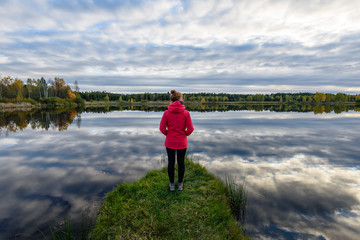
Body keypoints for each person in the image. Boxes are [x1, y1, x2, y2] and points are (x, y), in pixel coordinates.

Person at [160, 90, 194, 191]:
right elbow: (190, 129)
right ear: (179, 99)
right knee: (181, 163)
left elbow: (162, 129)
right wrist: (184, 134)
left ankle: (171, 185)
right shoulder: (186, 113)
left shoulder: (166, 113)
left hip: (170, 142)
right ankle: (179, 185)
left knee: (171, 163)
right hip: (182, 142)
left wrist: (169, 134)